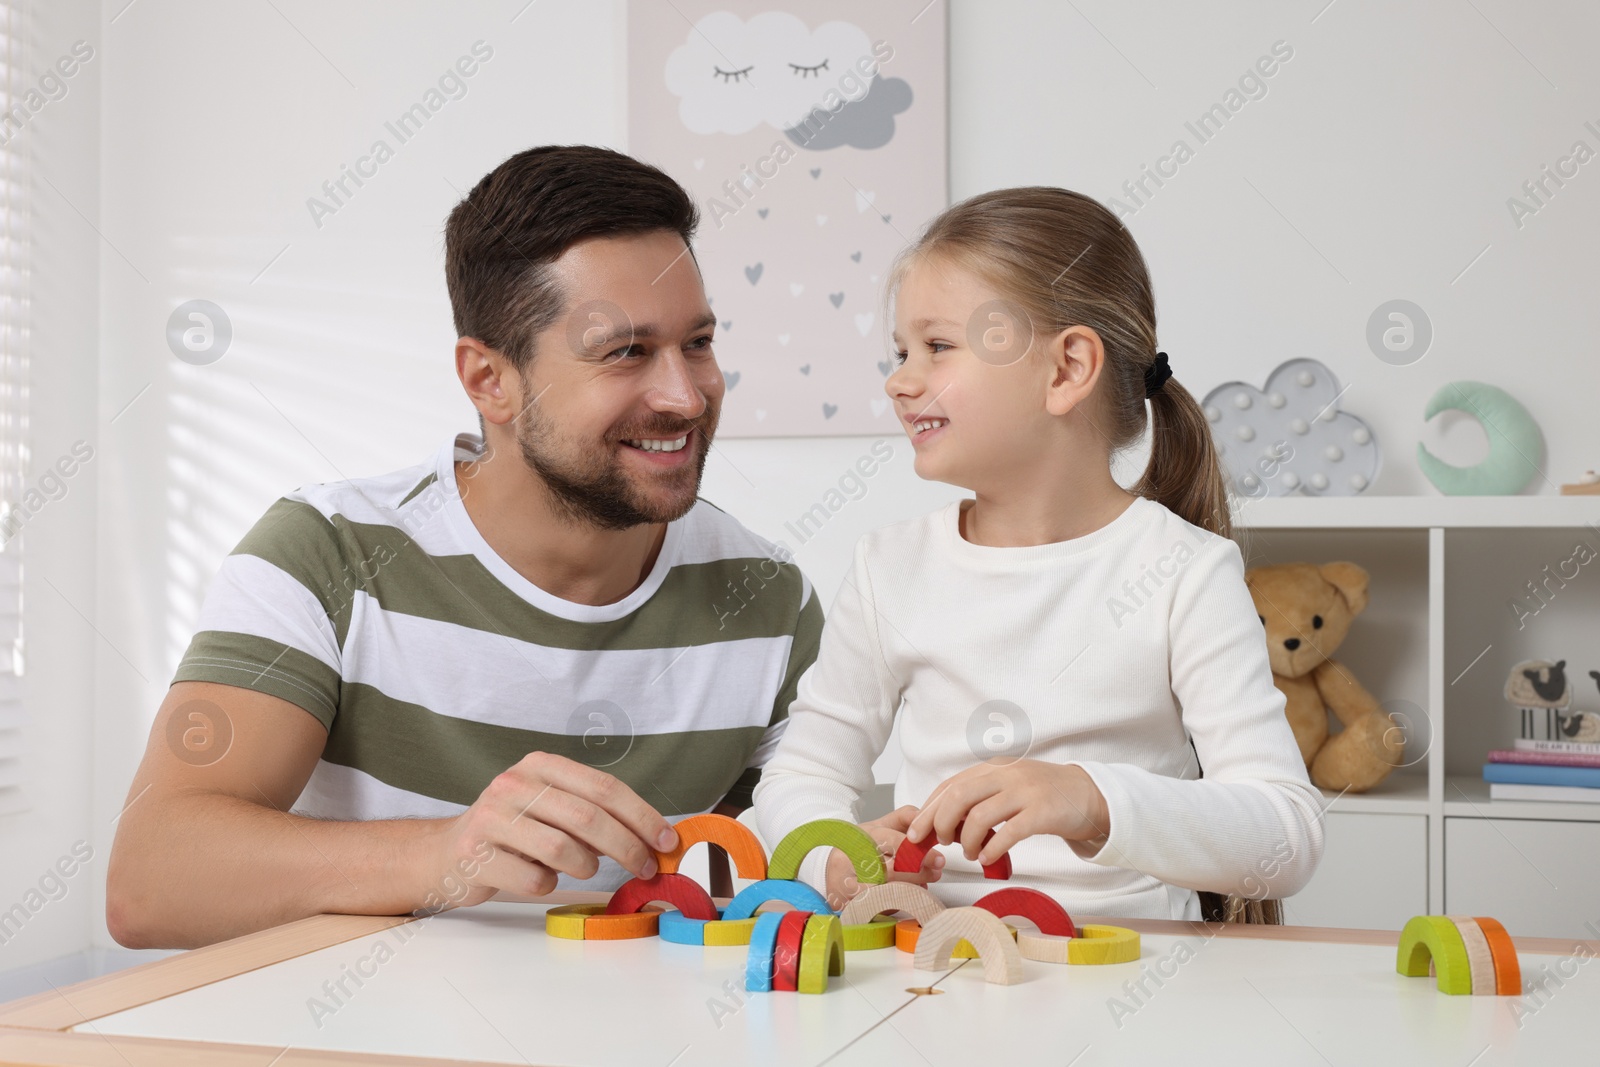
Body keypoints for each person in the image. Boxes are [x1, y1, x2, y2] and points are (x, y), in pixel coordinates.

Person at [106, 146, 821, 949]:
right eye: (626, 352)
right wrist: (448, 851)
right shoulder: (327, 557)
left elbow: (780, 874)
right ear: (489, 379)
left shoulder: (767, 597)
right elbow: (150, 879)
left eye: (697, 342)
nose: (685, 395)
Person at [753, 187, 1325, 922]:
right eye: (901, 351)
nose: (899, 380)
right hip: (935, 968)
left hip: (1136, 980)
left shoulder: (1185, 571)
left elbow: (1287, 835)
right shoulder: (889, 567)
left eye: (937, 346)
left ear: (1066, 370)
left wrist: (1088, 800)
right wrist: (830, 853)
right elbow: (800, 771)